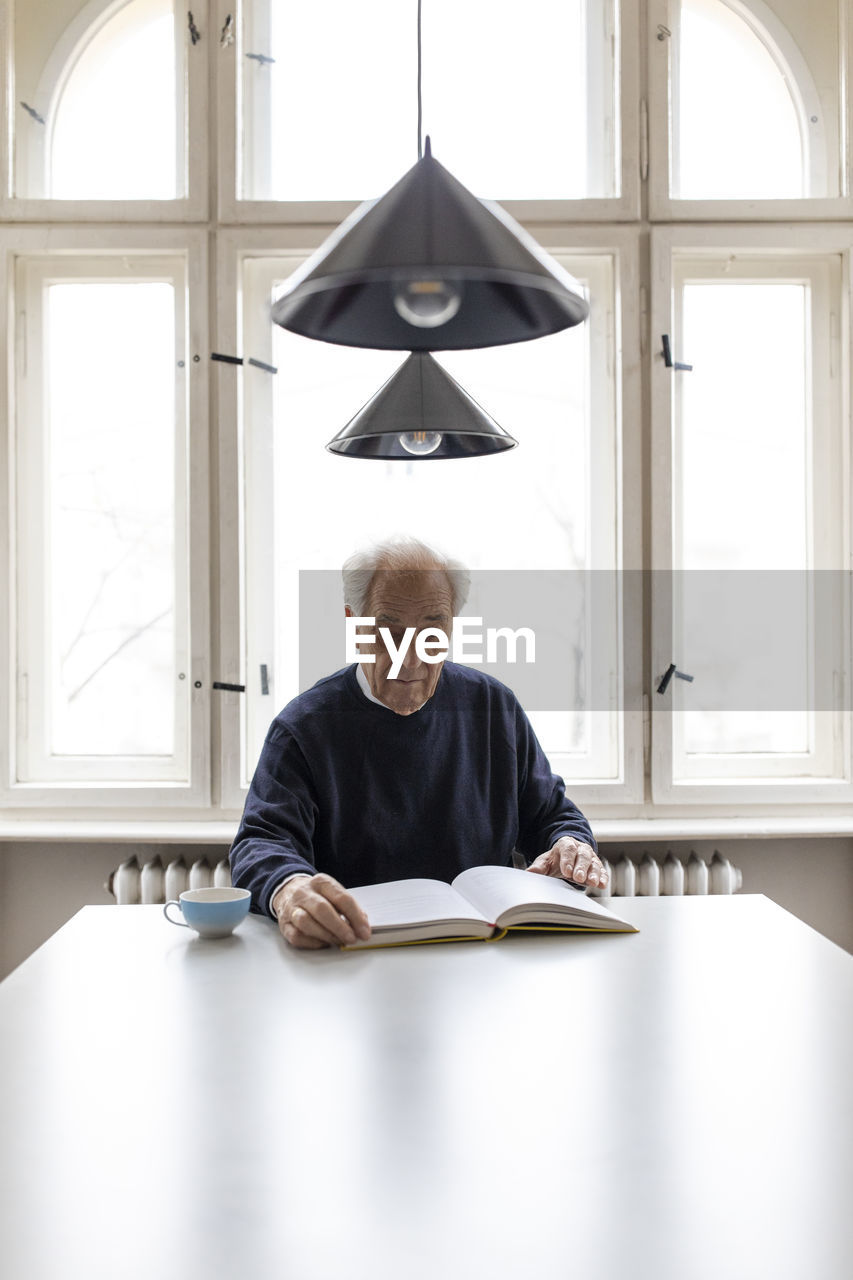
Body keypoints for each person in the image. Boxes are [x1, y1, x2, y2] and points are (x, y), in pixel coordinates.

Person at [229, 536, 607, 949]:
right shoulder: (303, 726)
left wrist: (569, 844)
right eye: (389, 628)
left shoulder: (493, 707)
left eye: (432, 628)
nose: (410, 658)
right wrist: (288, 889)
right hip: (354, 951)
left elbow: (552, 814)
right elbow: (262, 841)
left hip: (480, 955)